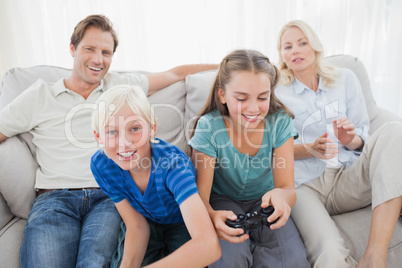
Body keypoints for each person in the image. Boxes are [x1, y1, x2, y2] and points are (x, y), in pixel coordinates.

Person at [0, 14, 217, 268]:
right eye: (89, 49)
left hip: (108, 197)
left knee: (95, 263)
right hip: (55, 197)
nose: (97, 59)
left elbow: (174, 73)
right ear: (72, 49)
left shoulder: (123, 88)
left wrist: (230, 67)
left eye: (106, 52)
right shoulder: (40, 95)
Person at [275, 20, 402, 268]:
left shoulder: (346, 78)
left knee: (394, 131)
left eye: (302, 43)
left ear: (316, 47)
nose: (295, 51)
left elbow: (362, 133)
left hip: (345, 177)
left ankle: (374, 257)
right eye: (287, 47)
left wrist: (350, 140)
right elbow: (268, 148)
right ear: (281, 55)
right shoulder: (276, 89)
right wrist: (308, 148)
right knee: (331, 252)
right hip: (303, 186)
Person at [188, 49, 310, 267]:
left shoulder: (280, 122)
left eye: (262, 97)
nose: (254, 108)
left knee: (292, 260)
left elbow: (287, 188)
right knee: (228, 259)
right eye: (242, 98)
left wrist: (282, 197)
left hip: (265, 202)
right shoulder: (209, 127)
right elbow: (201, 201)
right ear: (222, 95)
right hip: (221, 201)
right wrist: (213, 216)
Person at [90, 84, 221, 267]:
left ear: (152, 129)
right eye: (112, 132)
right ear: (99, 137)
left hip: (182, 221)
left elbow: (209, 247)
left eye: (134, 129)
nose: (124, 143)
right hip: (146, 220)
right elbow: (136, 226)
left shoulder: (173, 166)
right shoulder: (102, 165)